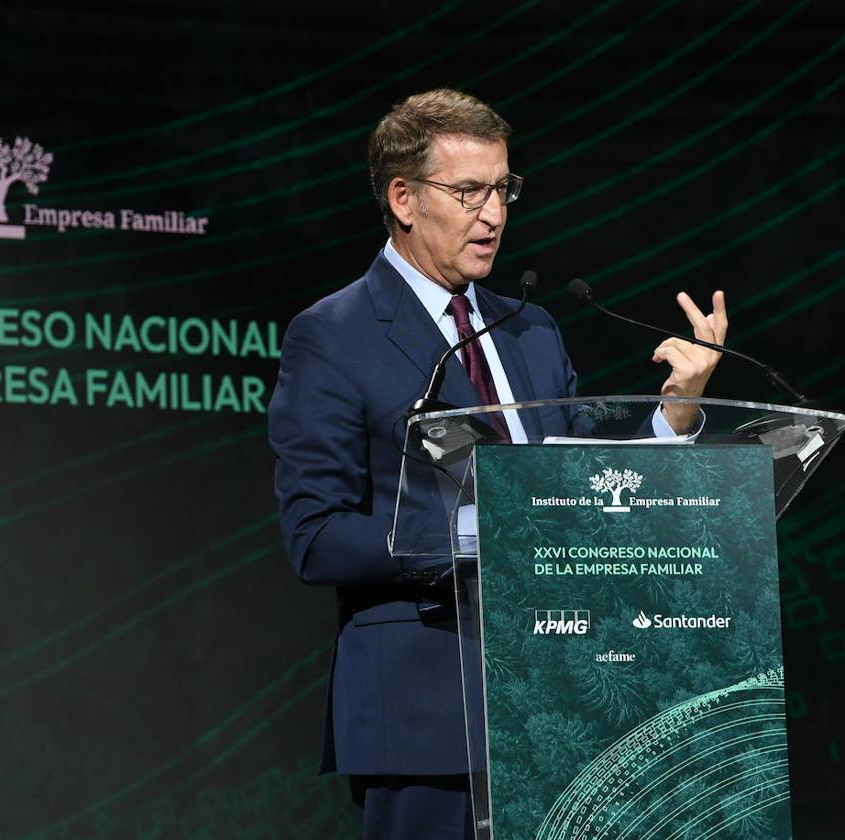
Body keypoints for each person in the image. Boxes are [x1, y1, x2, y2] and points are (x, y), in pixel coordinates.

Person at [266, 88, 727, 839]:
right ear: (404, 198)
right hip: (427, 714)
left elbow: (577, 488)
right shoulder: (334, 335)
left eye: (503, 188)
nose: (496, 213)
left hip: (565, 709)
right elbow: (316, 538)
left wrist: (676, 413)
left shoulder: (531, 330)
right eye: (470, 191)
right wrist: (490, 533)